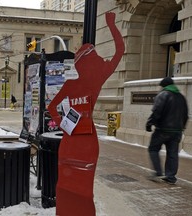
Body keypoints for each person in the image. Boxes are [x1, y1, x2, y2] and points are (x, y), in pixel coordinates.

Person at [48, 12, 124, 216]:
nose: (101, 59)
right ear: (90, 62)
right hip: (87, 142)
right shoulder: (97, 79)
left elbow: (51, 108)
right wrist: (111, 25)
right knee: (83, 191)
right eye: (97, 57)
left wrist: (65, 124)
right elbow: (120, 51)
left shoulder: (72, 84)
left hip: (71, 140)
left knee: (67, 187)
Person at [146, 77, 189, 184]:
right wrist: (181, 127)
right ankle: (170, 177)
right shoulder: (181, 97)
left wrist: (150, 123)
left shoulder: (163, 95)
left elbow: (157, 111)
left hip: (162, 129)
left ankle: (158, 172)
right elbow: (186, 115)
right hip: (177, 131)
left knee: (153, 149)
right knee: (173, 153)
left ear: (164, 86)